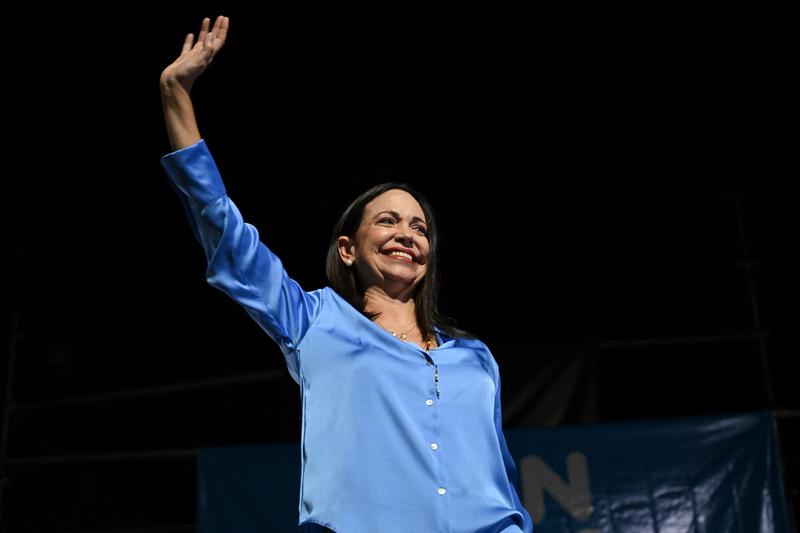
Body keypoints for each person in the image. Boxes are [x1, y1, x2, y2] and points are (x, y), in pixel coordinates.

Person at [159, 15, 534, 533]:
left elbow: (500, 478)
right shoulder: (314, 321)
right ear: (348, 249)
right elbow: (224, 230)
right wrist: (176, 94)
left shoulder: (475, 357)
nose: (407, 234)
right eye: (388, 221)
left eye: (419, 228)